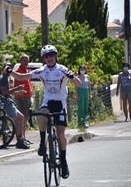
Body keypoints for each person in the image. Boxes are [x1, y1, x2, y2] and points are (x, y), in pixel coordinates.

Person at [5, 45, 81, 179]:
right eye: (46, 56)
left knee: (60, 133)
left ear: (56, 56)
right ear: (43, 59)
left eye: (52, 55)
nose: (49, 58)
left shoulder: (62, 69)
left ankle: (63, 161)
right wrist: (10, 72)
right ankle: (41, 143)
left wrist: (73, 77)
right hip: (48, 101)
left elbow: (79, 84)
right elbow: (22, 77)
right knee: (42, 115)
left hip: (60, 103)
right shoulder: (41, 71)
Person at [0, 64, 31, 149]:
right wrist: (17, 88)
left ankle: (21, 138)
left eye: (10, 69)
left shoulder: (6, 78)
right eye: (7, 69)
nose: (9, 71)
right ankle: (19, 140)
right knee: (17, 120)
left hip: (8, 101)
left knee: (21, 117)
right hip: (5, 102)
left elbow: (8, 92)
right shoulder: (3, 78)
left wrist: (18, 92)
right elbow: (5, 92)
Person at [14, 54, 33, 131]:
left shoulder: (27, 71)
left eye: (27, 61)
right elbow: (16, 85)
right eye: (24, 61)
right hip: (22, 98)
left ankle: (23, 135)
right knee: (23, 117)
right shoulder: (18, 72)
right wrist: (19, 93)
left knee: (26, 117)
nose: (26, 63)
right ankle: (21, 136)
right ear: (21, 61)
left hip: (28, 97)